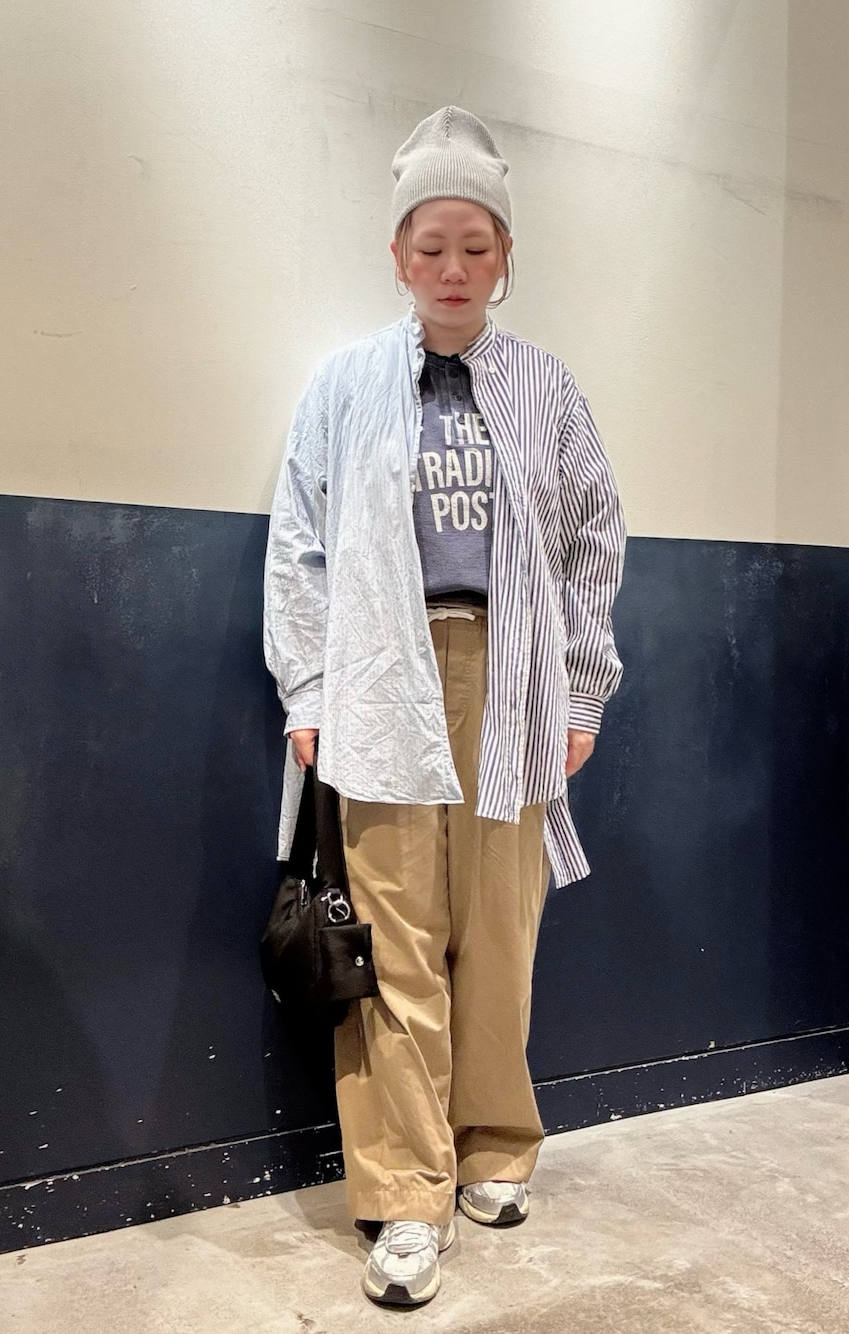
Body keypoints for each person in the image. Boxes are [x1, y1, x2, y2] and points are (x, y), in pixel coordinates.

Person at [263, 105, 626, 1308]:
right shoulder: (345, 384)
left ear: (505, 254)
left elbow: (591, 542)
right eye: (431, 247)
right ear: (397, 254)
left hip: (507, 671)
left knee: (500, 927)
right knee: (394, 935)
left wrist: (581, 686)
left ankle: (494, 1148)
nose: (453, 268)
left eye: (476, 245)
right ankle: (406, 1194)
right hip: (381, 668)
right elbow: (301, 542)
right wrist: (309, 685)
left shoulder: (546, 389)